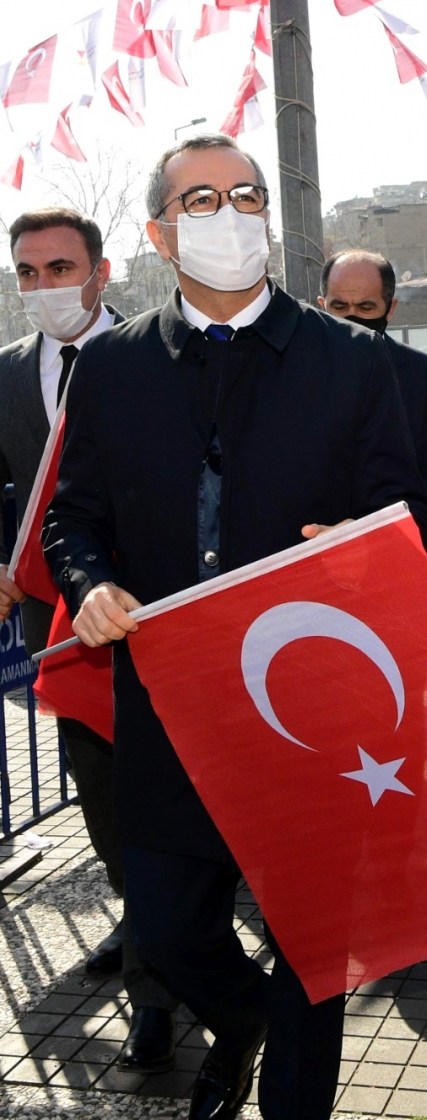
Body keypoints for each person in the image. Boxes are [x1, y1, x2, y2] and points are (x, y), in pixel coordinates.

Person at [43, 134, 427, 1120]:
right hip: (171, 707)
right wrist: (89, 583)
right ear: (160, 233)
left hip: (314, 710)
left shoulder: (349, 358)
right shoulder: (114, 366)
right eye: (203, 199)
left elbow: (403, 512)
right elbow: (72, 518)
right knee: (168, 930)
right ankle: (245, 1021)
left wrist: (365, 545)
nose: (231, 214)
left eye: (247, 195)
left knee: (312, 943)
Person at [0, 207, 177, 1072]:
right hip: (60, 627)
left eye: (60, 268)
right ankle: (144, 928)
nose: (44, 287)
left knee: (167, 796)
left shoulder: (159, 353)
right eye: (27, 273)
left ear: (101, 272)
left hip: (159, 614)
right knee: (101, 793)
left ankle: (161, 974)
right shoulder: (6, 372)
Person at [319, 249, 427, 525]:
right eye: (339, 308)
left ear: (390, 309)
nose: (351, 318)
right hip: (312, 539)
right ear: (321, 305)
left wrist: (380, 529)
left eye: (365, 308)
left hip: (396, 538)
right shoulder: (294, 370)